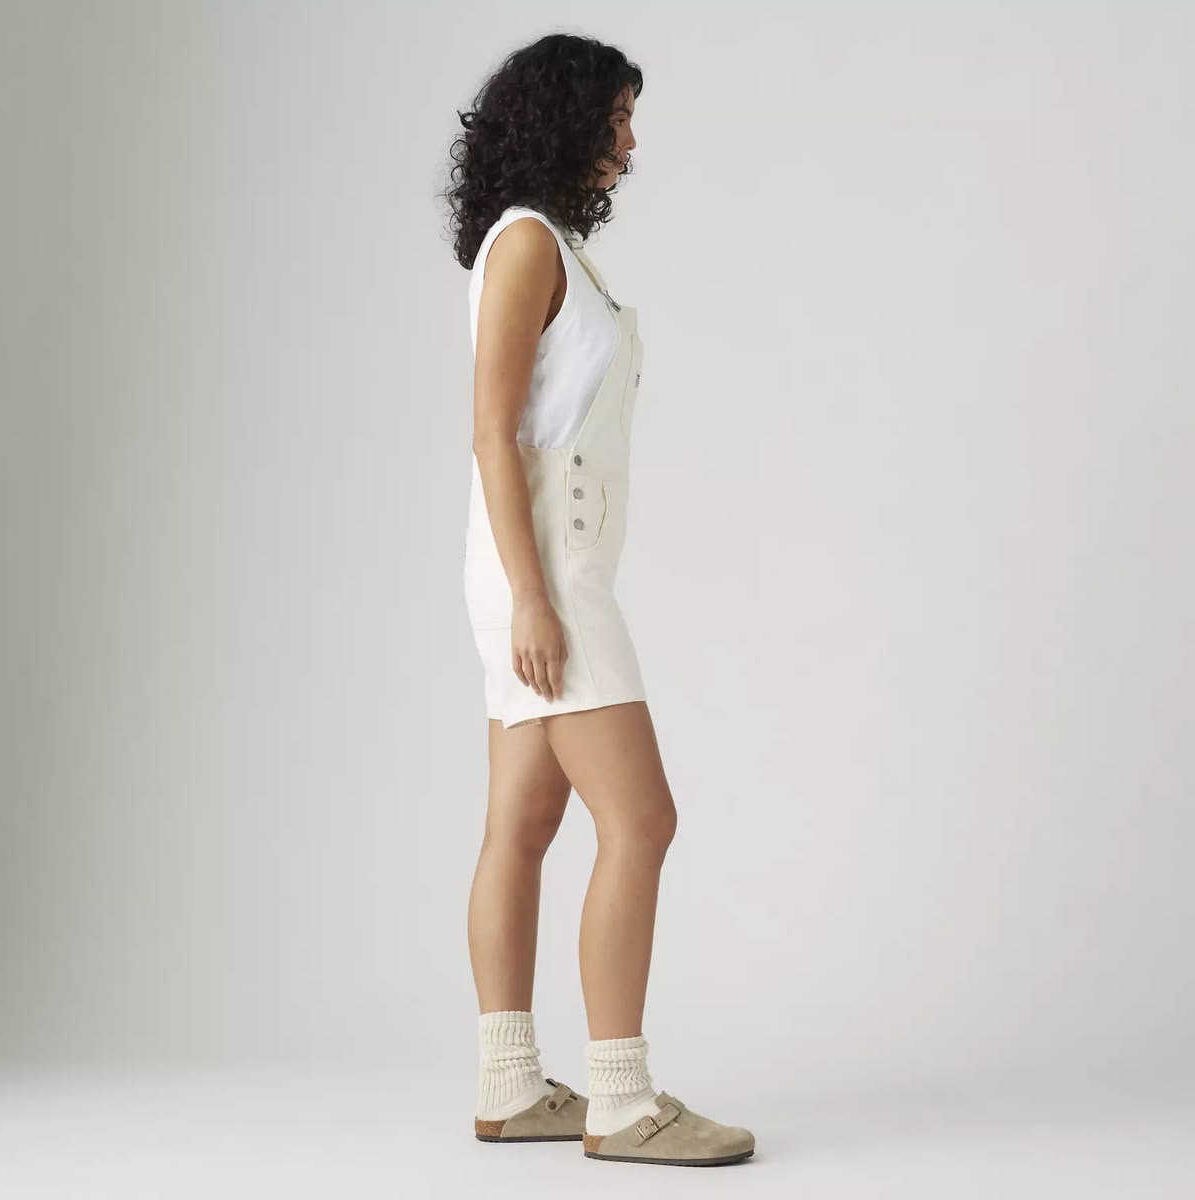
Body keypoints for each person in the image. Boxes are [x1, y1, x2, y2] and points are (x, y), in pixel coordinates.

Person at [441, 33, 756, 1167]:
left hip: (546, 569)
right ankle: (622, 1101)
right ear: (560, 119)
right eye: (615, 117)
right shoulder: (527, 243)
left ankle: (510, 1083)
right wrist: (534, 600)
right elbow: (492, 432)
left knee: (522, 827)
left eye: (630, 118)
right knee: (642, 820)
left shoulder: (554, 245)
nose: (629, 141)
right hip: (547, 576)